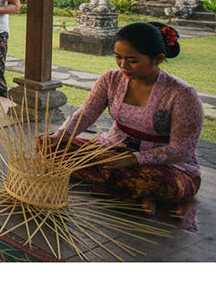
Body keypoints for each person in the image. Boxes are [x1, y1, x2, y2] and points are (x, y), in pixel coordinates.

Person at [45, 22, 202, 228]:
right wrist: (61, 135)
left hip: (166, 166)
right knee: (48, 146)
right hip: (112, 149)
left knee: (154, 182)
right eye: (118, 56)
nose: (123, 65)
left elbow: (181, 150)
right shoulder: (111, 79)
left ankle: (133, 190)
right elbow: (85, 114)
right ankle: (133, 195)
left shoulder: (181, 94)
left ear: (158, 59)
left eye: (132, 60)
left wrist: (132, 159)